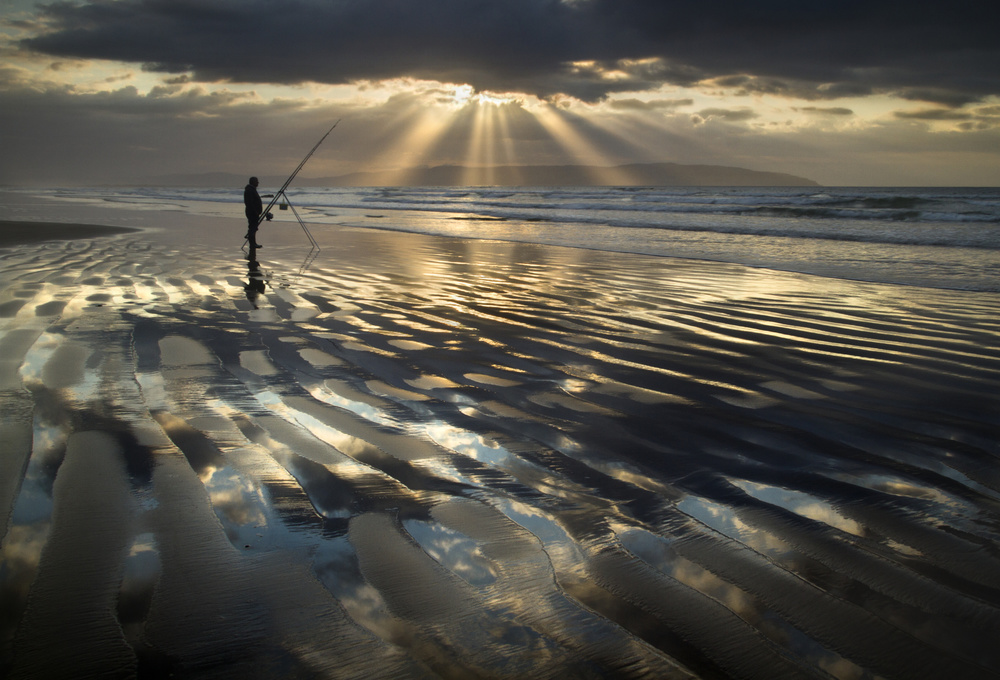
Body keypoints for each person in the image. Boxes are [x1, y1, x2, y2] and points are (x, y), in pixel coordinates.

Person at [243, 176, 268, 248]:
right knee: (252, 228)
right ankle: (252, 243)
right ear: (253, 182)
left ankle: (253, 242)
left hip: (253, 212)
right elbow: (250, 203)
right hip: (252, 213)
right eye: (256, 181)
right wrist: (255, 211)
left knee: (253, 228)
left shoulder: (251, 189)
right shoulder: (250, 190)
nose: (258, 182)